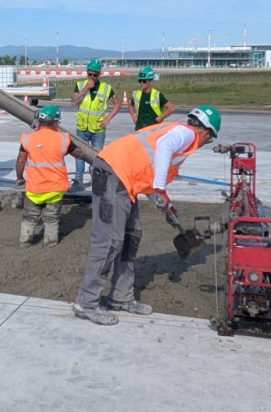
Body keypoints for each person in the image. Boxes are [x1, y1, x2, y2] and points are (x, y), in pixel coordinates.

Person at [73, 106, 222, 325]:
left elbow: (148, 172)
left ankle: (121, 298)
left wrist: (164, 204)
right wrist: (160, 189)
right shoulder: (186, 133)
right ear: (206, 133)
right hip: (112, 175)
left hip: (124, 182)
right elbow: (164, 148)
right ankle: (86, 301)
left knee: (131, 236)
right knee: (110, 241)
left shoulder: (176, 132)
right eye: (208, 140)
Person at [14, 105, 78, 246]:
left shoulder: (28, 139)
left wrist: (19, 178)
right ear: (54, 122)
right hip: (55, 189)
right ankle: (51, 242)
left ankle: (25, 241)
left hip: (34, 189)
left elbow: (20, 161)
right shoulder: (63, 139)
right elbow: (79, 153)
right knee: (52, 218)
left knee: (30, 218)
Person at [68, 59, 122, 188]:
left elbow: (117, 104)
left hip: (98, 129)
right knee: (79, 155)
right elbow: (74, 102)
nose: (92, 77)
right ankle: (79, 180)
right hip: (82, 127)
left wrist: (107, 119)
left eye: (95, 75)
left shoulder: (106, 88)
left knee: (97, 157)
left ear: (99, 74)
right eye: (90, 74)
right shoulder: (80, 85)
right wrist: (86, 88)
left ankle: (96, 179)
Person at [130, 66, 172, 130]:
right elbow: (130, 105)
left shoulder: (157, 95)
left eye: (144, 81)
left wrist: (160, 118)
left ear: (150, 80)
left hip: (154, 129)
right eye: (140, 80)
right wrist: (133, 116)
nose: (141, 83)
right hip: (140, 128)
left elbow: (170, 108)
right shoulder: (136, 94)